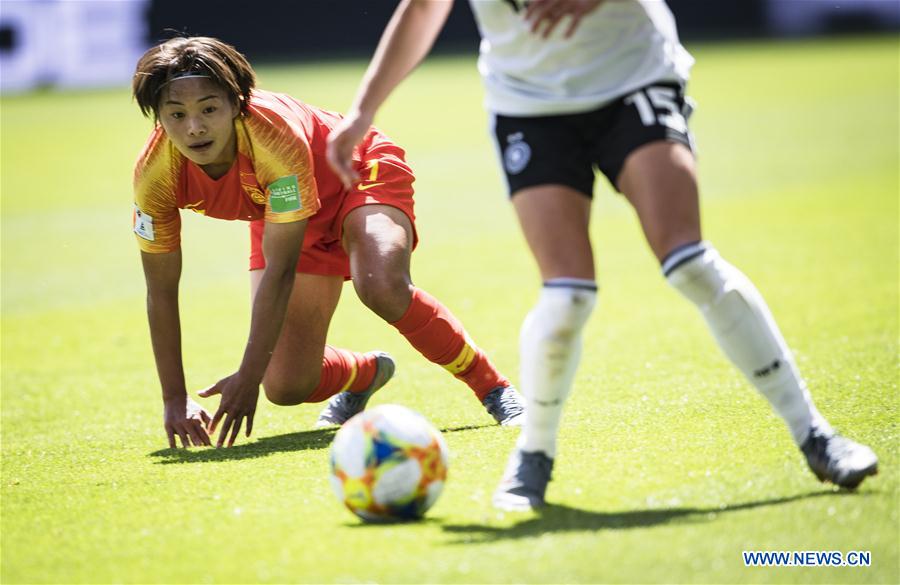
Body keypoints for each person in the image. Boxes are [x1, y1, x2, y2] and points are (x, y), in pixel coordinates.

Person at [326, 0, 879, 509]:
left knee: (689, 262)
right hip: (529, 102)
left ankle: (815, 435)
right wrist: (362, 112)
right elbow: (425, 7)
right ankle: (533, 456)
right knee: (566, 294)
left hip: (631, 79)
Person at [131, 36, 525, 449]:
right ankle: (366, 373)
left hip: (358, 172)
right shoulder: (155, 177)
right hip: (285, 213)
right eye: (175, 114)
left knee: (379, 284)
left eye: (209, 109)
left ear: (237, 103)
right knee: (284, 385)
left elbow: (280, 273)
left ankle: (494, 389)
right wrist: (175, 399)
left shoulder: (273, 141)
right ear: (157, 116)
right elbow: (160, 290)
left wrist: (247, 376)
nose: (193, 128)